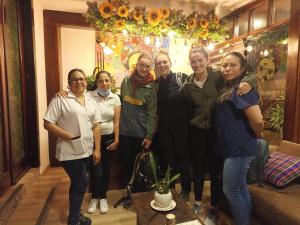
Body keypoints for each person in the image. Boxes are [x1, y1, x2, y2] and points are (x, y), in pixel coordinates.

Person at [182, 46, 256, 225]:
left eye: (200, 60)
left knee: (215, 170)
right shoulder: (187, 86)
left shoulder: (218, 75)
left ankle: (214, 206)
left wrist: (251, 81)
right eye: (193, 61)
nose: (197, 64)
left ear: (207, 60)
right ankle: (198, 201)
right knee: (198, 167)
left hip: (217, 131)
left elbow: (248, 73)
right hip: (197, 131)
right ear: (190, 63)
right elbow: (187, 110)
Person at [44, 68, 102, 225]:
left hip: (87, 149)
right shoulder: (60, 99)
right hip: (69, 151)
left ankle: (75, 214)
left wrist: (97, 149)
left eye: (82, 79)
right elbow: (48, 124)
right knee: (81, 182)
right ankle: (74, 220)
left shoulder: (91, 100)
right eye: (74, 79)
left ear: (86, 81)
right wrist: (69, 136)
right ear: (69, 83)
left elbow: (96, 125)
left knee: (78, 183)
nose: (79, 82)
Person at [216, 52, 264, 225]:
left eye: (232, 65)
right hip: (233, 146)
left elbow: (258, 120)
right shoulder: (231, 86)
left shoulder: (243, 89)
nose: (227, 69)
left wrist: (257, 134)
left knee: (231, 191)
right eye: (224, 65)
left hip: (240, 147)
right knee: (240, 188)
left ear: (243, 68)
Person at [154, 49, 191, 200]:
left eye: (164, 62)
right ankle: (171, 189)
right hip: (164, 129)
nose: (162, 65)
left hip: (182, 127)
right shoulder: (155, 84)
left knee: (183, 159)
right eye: (159, 63)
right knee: (168, 160)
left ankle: (186, 189)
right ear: (155, 67)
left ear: (170, 63)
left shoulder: (181, 77)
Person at [119, 52, 157, 188]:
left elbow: (152, 112)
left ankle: (138, 194)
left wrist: (149, 135)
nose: (144, 68)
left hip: (141, 133)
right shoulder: (126, 81)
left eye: (147, 66)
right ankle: (127, 192)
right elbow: (120, 103)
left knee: (139, 167)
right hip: (124, 131)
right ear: (137, 65)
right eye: (142, 65)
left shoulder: (152, 86)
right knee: (126, 165)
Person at [86, 71, 121, 214]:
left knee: (106, 169)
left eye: (107, 80)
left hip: (109, 137)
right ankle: (94, 197)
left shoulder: (115, 98)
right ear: (96, 82)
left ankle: (103, 198)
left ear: (111, 82)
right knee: (96, 170)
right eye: (101, 81)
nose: (104, 83)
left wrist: (117, 139)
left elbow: (116, 122)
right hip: (93, 138)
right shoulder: (89, 96)